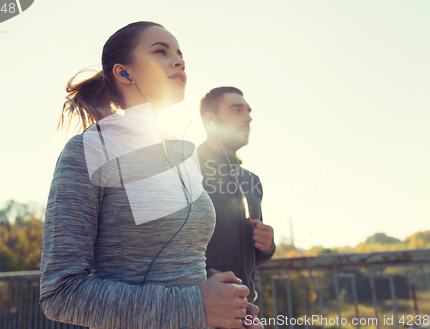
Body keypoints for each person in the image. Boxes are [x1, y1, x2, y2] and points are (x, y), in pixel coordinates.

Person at [39, 22, 263, 329]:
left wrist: (228, 308)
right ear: (124, 73)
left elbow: (179, 268)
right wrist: (196, 305)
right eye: (160, 51)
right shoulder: (89, 150)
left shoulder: (184, 156)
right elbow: (60, 294)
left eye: (180, 54)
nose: (179, 61)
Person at [197, 87, 276, 303]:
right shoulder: (187, 171)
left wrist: (267, 246)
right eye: (236, 110)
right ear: (210, 120)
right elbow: (165, 244)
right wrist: (205, 278)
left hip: (245, 307)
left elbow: (249, 253)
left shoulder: (251, 180)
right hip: (201, 309)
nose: (248, 118)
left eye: (248, 111)